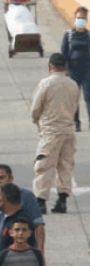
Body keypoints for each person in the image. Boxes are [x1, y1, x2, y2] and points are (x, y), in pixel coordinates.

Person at [29, 53, 80, 214]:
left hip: (51, 131)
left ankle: (40, 201)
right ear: (65, 67)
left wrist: (36, 120)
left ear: (50, 66)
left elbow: (35, 108)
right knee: (65, 165)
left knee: (44, 165)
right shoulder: (73, 85)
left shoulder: (46, 83)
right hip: (68, 130)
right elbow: (75, 107)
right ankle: (62, 200)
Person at [59, 5, 90, 132]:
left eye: (83, 18)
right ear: (75, 18)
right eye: (79, 18)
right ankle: (76, 122)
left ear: (87, 20)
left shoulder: (88, 36)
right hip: (73, 70)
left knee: (88, 97)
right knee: (74, 97)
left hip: (87, 70)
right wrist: (64, 69)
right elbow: (64, 52)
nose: (80, 20)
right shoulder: (69, 35)